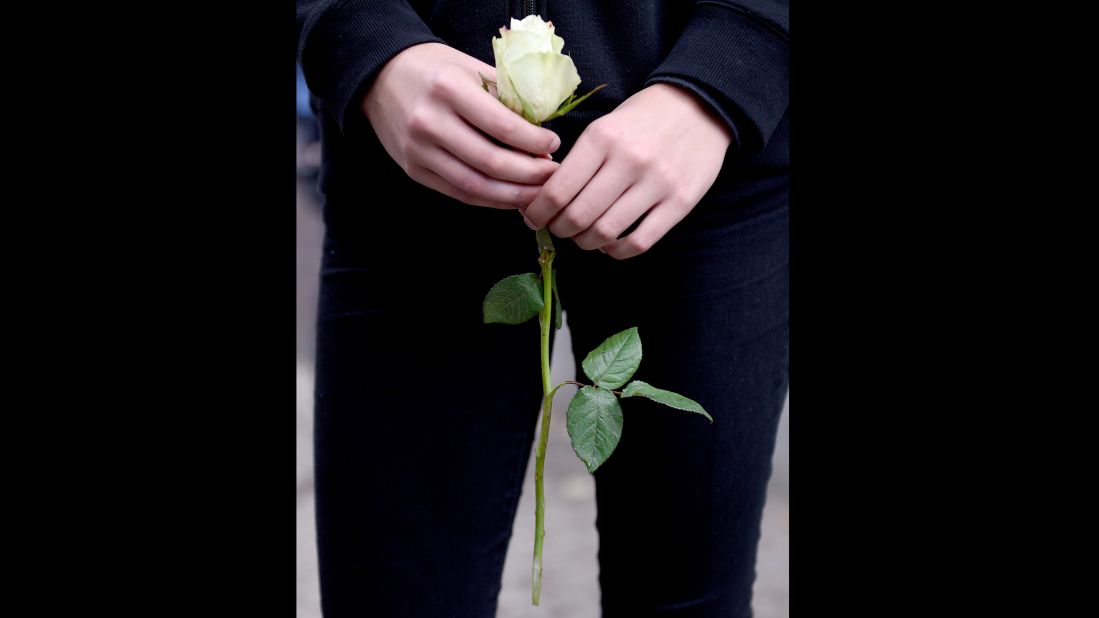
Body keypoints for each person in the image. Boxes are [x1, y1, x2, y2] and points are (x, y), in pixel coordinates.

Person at [297, 1, 788, 616]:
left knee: (690, 595)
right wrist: (361, 34)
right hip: (414, 158)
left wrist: (731, 65)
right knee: (398, 590)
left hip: (710, 162)